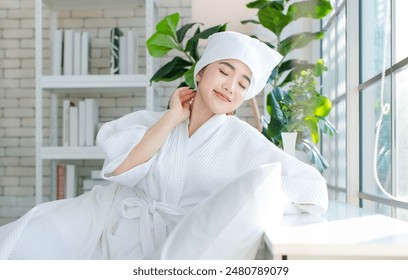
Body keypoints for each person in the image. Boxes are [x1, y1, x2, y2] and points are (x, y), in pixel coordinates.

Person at [0, 31, 328, 260]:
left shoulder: (243, 140)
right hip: (104, 217)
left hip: (169, 242)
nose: (230, 86)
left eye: (243, 83)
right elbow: (120, 169)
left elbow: (310, 186)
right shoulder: (154, 119)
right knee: (26, 241)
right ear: (200, 74)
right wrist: (171, 118)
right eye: (224, 72)